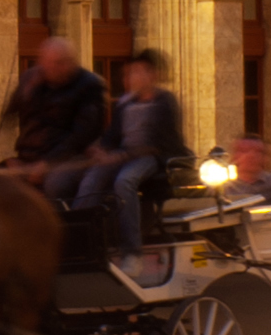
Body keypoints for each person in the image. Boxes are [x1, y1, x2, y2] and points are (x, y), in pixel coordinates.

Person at [61, 47, 193, 242]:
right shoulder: (125, 103)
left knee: (125, 181)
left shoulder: (164, 102)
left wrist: (122, 156)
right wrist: (101, 150)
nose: (131, 78)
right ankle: (77, 236)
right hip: (124, 155)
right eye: (129, 73)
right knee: (92, 178)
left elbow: (162, 142)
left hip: (152, 156)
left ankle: (131, 246)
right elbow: (113, 136)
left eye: (137, 72)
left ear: (152, 75)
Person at [0, 25, 108, 183]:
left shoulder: (89, 85)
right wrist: (25, 93)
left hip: (66, 159)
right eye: (46, 63)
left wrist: (47, 163)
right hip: (29, 156)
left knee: (56, 184)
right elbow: (9, 115)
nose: (51, 69)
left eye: (58, 63)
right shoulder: (34, 79)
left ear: (70, 62)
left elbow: (82, 134)